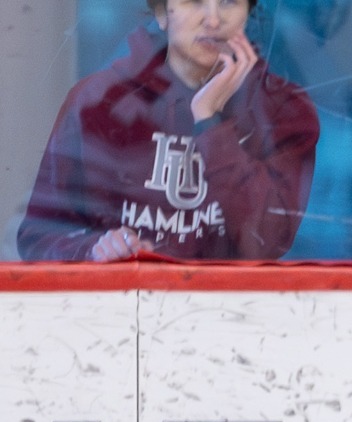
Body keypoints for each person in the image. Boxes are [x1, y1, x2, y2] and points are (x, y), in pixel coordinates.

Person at [16, 0, 319, 262]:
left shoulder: (283, 111)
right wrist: (94, 250)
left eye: (229, 1)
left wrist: (210, 121)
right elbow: (38, 236)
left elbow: (265, 242)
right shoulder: (98, 102)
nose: (213, 20)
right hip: (118, 306)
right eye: (193, 1)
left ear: (248, 14)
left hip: (228, 308)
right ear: (162, 14)